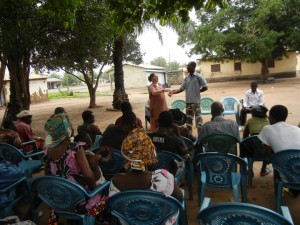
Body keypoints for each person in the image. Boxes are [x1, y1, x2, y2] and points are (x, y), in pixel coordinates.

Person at [42, 113, 108, 223]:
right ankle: (102, 216)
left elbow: (48, 178)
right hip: (78, 201)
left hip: (60, 199)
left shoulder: (47, 151)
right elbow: (88, 176)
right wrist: (95, 189)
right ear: (67, 129)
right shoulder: (75, 149)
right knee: (106, 188)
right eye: (70, 125)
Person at [109, 128, 183, 225]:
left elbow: (113, 206)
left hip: (129, 222)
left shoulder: (116, 180)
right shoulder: (163, 177)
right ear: (150, 154)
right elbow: (179, 200)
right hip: (160, 221)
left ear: (125, 156)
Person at [258, 105, 300, 197]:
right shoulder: (297, 129)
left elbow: (269, 153)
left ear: (271, 117)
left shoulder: (267, 129)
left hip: (286, 170)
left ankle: (280, 192)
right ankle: (294, 190)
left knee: (278, 161)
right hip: (297, 166)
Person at [169, 61, 208, 135]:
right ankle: (189, 137)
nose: (187, 67)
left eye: (189, 66)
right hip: (188, 103)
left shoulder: (198, 77)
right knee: (188, 121)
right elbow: (181, 88)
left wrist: (198, 91)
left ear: (193, 67)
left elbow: (205, 87)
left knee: (199, 121)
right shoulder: (186, 78)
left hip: (196, 102)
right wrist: (173, 92)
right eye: (187, 66)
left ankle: (200, 138)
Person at [240, 105, 270, 176]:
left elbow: (245, 136)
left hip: (252, 150)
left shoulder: (250, 121)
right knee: (268, 143)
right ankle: (263, 169)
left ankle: (249, 169)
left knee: (244, 142)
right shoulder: (269, 120)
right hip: (266, 151)